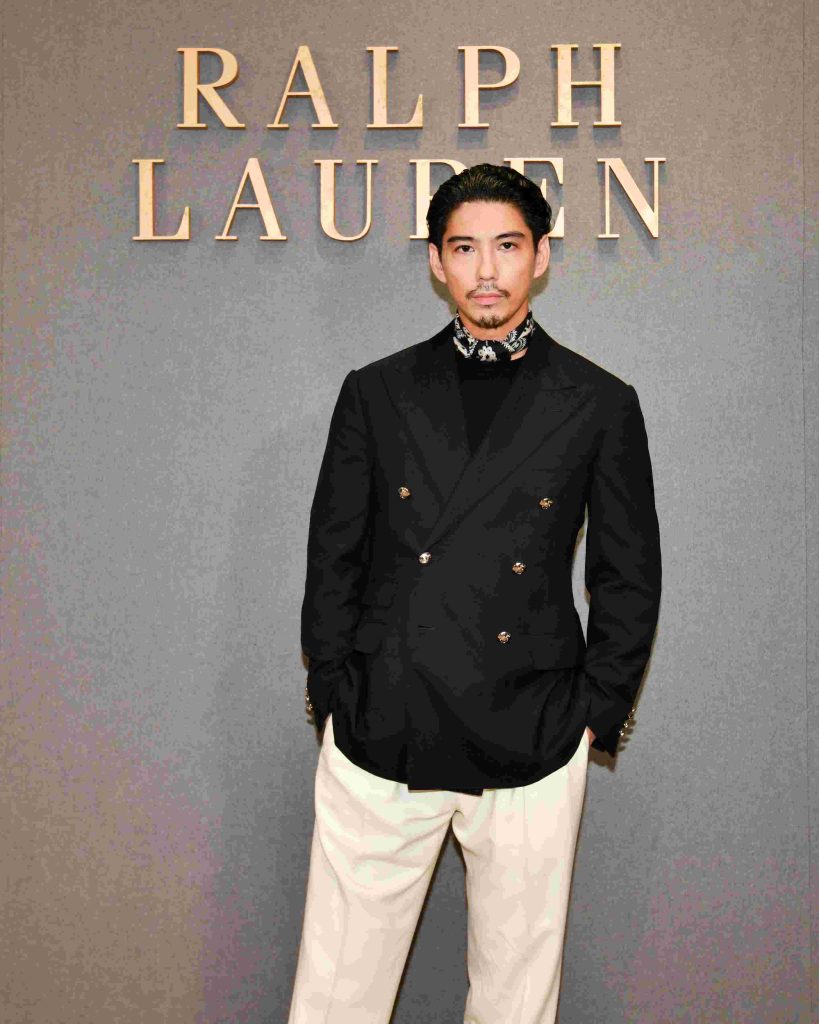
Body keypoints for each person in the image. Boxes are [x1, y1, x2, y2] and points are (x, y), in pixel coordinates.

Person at [288, 163, 662, 1024]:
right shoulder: (375, 391)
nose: (486, 270)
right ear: (436, 261)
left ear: (540, 257)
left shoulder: (599, 401)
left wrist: (592, 714)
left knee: (515, 999)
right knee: (336, 994)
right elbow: (332, 554)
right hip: (385, 724)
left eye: (506, 246)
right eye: (464, 248)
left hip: (532, 728)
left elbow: (627, 574)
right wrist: (336, 694)